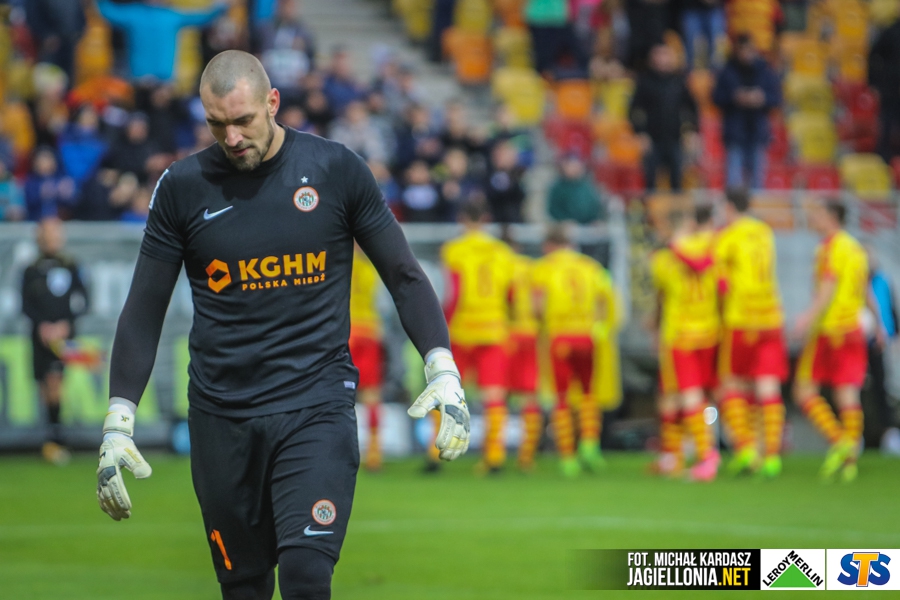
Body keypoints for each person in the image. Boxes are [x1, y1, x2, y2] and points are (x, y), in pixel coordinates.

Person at [95, 51, 470, 600]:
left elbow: (404, 274)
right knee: (244, 589)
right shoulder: (182, 186)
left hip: (315, 406)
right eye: (217, 124)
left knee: (306, 576)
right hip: (222, 417)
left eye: (242, 120)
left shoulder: (336, 170)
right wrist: (118, 419)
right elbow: (143, 307)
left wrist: (442, 367)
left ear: (272, 102)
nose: (232, 137)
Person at [792, 200, 880, 483]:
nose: (813, 219)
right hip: (853, 329)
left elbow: (827, 288)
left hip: (830, 330)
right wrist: (879, 323)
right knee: (847, 393)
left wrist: (808, 318)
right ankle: (850, 460)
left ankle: (840, 440)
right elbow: (865, 290)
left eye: (818, 214)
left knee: (803, 391)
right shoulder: (856, 248)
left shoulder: (830, 248)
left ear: (831, 216)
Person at [714, 188, 788, 478]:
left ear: (729, 207)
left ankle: (746, 446)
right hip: (770, 316)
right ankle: (771, 455)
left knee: (731, 384)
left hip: (741, 318)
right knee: (767, 386)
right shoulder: (765, 232)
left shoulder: (728, 236)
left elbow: (721, 283)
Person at [532, 225, 614, 477]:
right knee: (589, 393)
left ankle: (568, 456)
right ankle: (590, 445)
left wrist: (542, 325)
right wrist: (599, 327)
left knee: (561, 398)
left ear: (549, 245)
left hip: (560, 337)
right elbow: (606, 299)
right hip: (587, 336)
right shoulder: (591, 267)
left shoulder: (544, 268)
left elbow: (538, 307)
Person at [440, 199, 515, 473]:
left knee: (447, 390)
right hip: (493, 330)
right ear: (486, 220)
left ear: (462, 219)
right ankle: (494, 456)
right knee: (493, 394)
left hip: (462, 329)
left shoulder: (453, 249)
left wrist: (443, 326)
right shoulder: (503, 252)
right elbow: (510, 295)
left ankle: (435, 454)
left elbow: (454, 292)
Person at [650, 207, 720, 481]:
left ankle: (705, 456)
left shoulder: (663, 259)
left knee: (683, 395)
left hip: (680, 336)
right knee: (684, 396)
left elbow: (661, 296)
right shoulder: (712, 248)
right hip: (709, 331)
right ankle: (674, 456)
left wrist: (655, 327)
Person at [22, 217, 88, 465]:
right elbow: (25, 304)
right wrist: (42, 325)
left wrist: (65, 324)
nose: (52, 238)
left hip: (63, 337)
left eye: (56, 233)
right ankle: (51, 438)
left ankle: (57, 440)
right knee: (44, 386)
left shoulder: (71, 266)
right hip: (40, 337)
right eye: (48, 234)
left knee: (56, 382)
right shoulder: (31, 269)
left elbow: (83, 301)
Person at [97, 0, 229, 81]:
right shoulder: (135, 14)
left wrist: (221, 7)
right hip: (139, 80)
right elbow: (107, 11)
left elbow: (202, 18)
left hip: (164, 81)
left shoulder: (170, 15)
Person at [712, 34, 781, 190]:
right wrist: (734, 97)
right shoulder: (727, 71)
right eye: (743, 50)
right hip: (735, 130)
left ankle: (755, 205)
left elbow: (776, 98)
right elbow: (716, 98)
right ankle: (733, 204)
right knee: (733, 179)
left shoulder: (765, 71)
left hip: (757, 130)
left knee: (758, 181)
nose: (746, 54)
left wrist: (762, 98)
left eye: (749, 50)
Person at [629, 43, 698, 192]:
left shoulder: (679, 81)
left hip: (675, 139)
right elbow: (634, 110)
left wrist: (691, 131)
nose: (662, 59)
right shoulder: (644, 81)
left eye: (665, 54)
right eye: (658, 54)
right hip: (652, 140)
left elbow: (691, 109)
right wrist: (640, 133)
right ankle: (650, 207)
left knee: (677, 180)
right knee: (650, 181)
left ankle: (676, 207)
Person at [502, 230, 543, 472]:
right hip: (530, 335)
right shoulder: (531, 267)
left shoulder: (500, 265)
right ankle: (527, 456)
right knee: (530, 395)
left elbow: (505, 299)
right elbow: (539, 305)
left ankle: (494, 454)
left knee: (498, 394)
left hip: (506, 335)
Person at [349, 244, 386, 471]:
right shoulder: (371, 267)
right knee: (371, 394)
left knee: (337, 394)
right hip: (370, 331)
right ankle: (374, 453)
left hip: (345, 332)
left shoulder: (337, 261)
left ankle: (338, 451)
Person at [868, 16, 900, 161]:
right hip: (891, 89)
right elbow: (873, 55)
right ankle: (883, 159)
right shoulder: (891, 31)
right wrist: (873, 82)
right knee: (887, 124)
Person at [547, 153, 606, 223]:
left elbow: (595, 206)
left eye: (576, 165)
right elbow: (554, 210)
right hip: (566, 225)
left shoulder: (587, 186)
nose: (574, 168)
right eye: (570, 165)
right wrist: (564, 221)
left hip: (587, 226)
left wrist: (596, 219)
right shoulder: (557, 188)